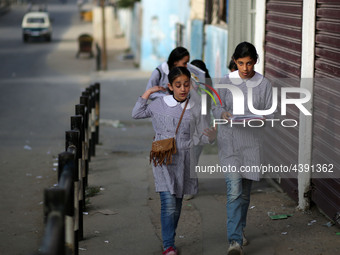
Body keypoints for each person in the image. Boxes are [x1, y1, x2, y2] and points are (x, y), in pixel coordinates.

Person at [132, 67, 216, 255]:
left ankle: (170, 239)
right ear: (170, 86)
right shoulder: (159, 104)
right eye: (178, 85)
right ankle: (168, 245)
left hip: (185, 158)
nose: (183, 88)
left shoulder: (195, 108)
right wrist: (149, 92)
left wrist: (210, 136)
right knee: (168, 202)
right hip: (163, 157)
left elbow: (202, 137)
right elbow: (136, 114)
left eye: (186, 84)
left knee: (177, 202)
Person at [212, 42, 274, 255]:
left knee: (245, 194)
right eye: (241, 63)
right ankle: (234, 242)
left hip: (251, 145)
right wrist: (223, 114)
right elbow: (216, 106)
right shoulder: (226, 82)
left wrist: (263, 118)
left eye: (249, 63)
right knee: (234, 191)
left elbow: (271, 112)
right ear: (235, 61)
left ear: (256, 61)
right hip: (229, 142)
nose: (245, 68)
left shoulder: (264, 84)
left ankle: (240, 229)